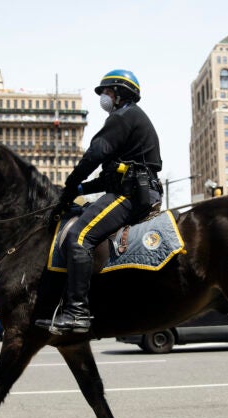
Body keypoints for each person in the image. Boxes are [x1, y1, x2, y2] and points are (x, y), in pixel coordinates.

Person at [36, 69, 163, 335]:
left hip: (132, 196)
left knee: (79, 237)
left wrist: (71, 184)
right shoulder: (128, 120)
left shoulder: (122, 117)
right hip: (131, 190)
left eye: (106, 92)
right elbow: (108, 178)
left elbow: (93, 156)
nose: (103, 97)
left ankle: (77, 313)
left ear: (119, 93)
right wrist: (77, 189)